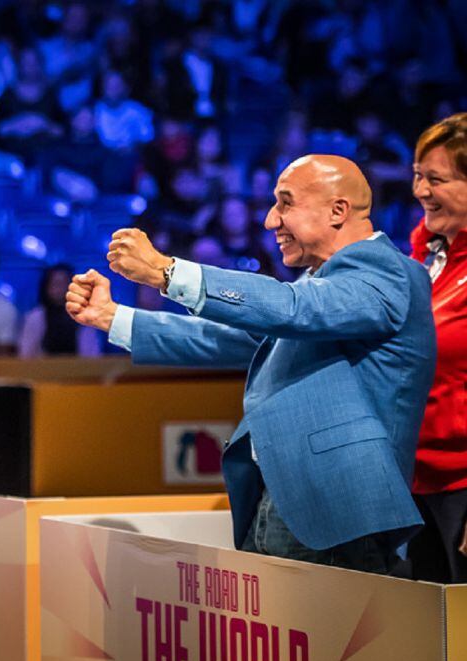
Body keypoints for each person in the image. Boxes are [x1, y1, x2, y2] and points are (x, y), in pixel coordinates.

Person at [67, 155, 435, 574]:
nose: (269, 220)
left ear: (338, 210)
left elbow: (295, 307)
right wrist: (111, 318)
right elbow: (225, 337)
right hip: (283, 499)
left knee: (328, 641)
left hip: (333, 508)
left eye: (285, 203)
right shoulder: (321, 287)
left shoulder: (389, 272)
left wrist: (166, 272)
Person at [407, 113, 467, 583]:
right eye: (417, 176)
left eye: (437, 179)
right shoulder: (425, 254)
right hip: (414, 483)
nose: (421, 191)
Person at [19, 263, 100, 357]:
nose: (60, 289)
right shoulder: (35, 317)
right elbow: (25, 354)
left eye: (64, 283)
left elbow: (93, 355)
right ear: (46, 287)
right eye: (55, 284)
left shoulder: (84, 317)